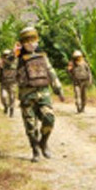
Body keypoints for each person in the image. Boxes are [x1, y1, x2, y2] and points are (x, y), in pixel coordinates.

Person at [16, 26, 64, 162]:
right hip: (27, 96)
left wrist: (58, 89)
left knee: (49, 119)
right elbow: (8, 70)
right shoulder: (17, 58)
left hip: (43, 94)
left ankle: (43, 142)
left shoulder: (43, 56)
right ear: (22, 42)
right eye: (27, 40)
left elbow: (51, 72)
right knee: (30, 126)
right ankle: (35, 150)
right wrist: (13, 55)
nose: (31, 43)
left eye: (34, 40)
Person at [0, 49, 19, 117]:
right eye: (5, 55)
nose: (6, 56)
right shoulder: (1, 62)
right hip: (4, 83)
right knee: (4, 97)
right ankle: (6, 107)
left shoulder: (15, 62)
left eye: (7, 55)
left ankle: (12, 109)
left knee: (12, 97)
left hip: (13, 83)